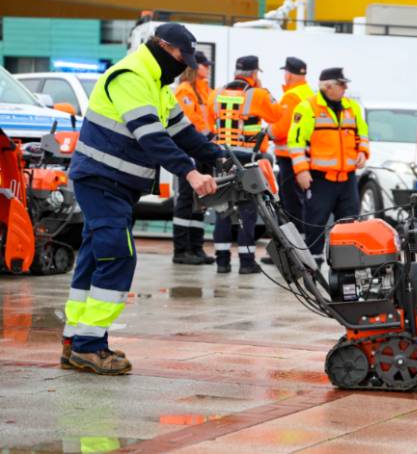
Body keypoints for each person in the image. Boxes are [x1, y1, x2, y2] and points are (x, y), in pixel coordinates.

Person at [62, 23, 222, 375]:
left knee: (94, 256)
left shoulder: (157, 84)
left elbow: (183, 133)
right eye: (181, 57)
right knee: (118, 255)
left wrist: (220, 156)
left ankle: (75, 340)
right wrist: (191, 173)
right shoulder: (131, 76)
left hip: (115, 184)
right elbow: (151, 136)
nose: (183, 65)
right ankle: (89, 346)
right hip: (101, 180)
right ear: (162, 46)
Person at [207, 55, 285, 274]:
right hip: (248, 161)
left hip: (222, 159)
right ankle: (246, 262)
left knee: (222, 210)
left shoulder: (215, 94)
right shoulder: (258, 95)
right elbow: (278, 115)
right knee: (247, 212)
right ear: (254, 73)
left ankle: (222, 262)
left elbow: (210, 123)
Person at [287, 67, 369, 264]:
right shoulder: (307, 108)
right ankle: (313, 266)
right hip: (320, 180)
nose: (345, 88)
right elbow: (296, 142)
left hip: (347, 179)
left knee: (349, 225)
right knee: (315, 224)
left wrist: (362, 152)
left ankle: (346, 265)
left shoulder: (352, 107)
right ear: (328, 87)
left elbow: (362, 133)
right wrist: (301, 171)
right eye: (342, 84)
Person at [260, 57, 314, 265]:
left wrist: (266, 132)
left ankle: (292, 253)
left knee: (290, 205)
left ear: (289, 74)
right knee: (301, 203)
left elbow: (283, 128)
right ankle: (300, 248)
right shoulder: (308, 93)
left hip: (288, 157)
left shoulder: (292, 96)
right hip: (304, 157)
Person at [172, 51, 215, 265]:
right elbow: (190, 121)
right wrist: (208, 138)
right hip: (190, 149)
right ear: (195, 67)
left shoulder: (205, 91)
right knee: (186, 198)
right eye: (205, 64)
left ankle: (196, 247)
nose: (208, 68)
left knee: (201, 199)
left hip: (203, 149)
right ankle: (181, 250)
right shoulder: (185, 90)